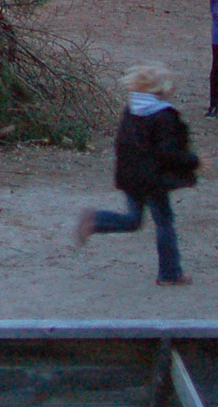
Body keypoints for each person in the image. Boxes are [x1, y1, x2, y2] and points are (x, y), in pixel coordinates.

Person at [75, 64, 201, 286]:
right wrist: (193, 161)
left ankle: (96, 220)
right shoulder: (164, 116)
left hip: (131, 176)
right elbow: (169, 152)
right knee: (164, 223)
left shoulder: (131, 110)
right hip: (154, 179)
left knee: (134, 220)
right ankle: (170, 273)